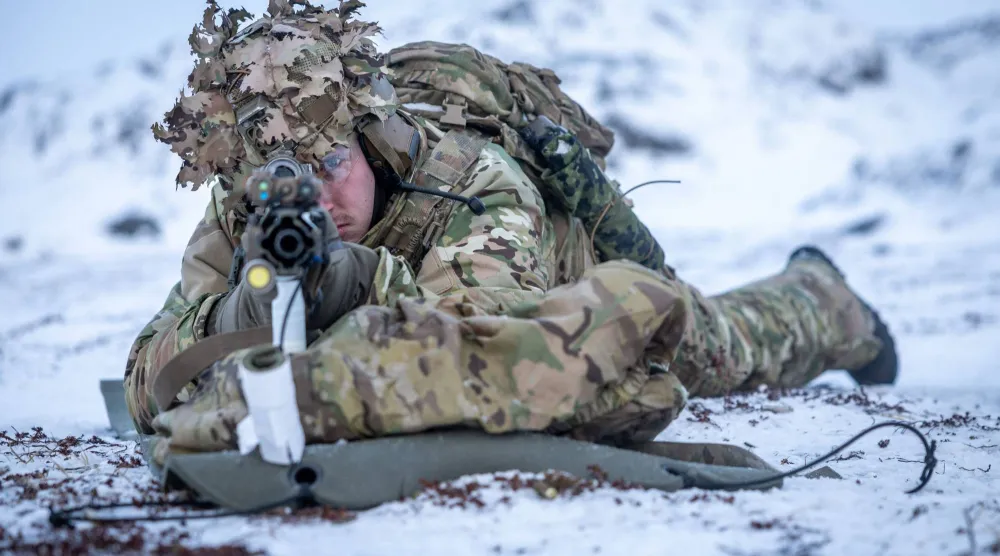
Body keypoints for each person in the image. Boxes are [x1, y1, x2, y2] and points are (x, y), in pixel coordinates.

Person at [124, 0, 897, 464]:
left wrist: (355, 282)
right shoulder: (247, 208)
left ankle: (830, 300)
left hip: (563, 286)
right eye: (285, 181)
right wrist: (238, 317)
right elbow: (144, 376)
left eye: (330, 162)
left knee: (724, 351)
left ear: (367, 135)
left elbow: (481, 354)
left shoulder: (470, 184)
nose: (314, 199)